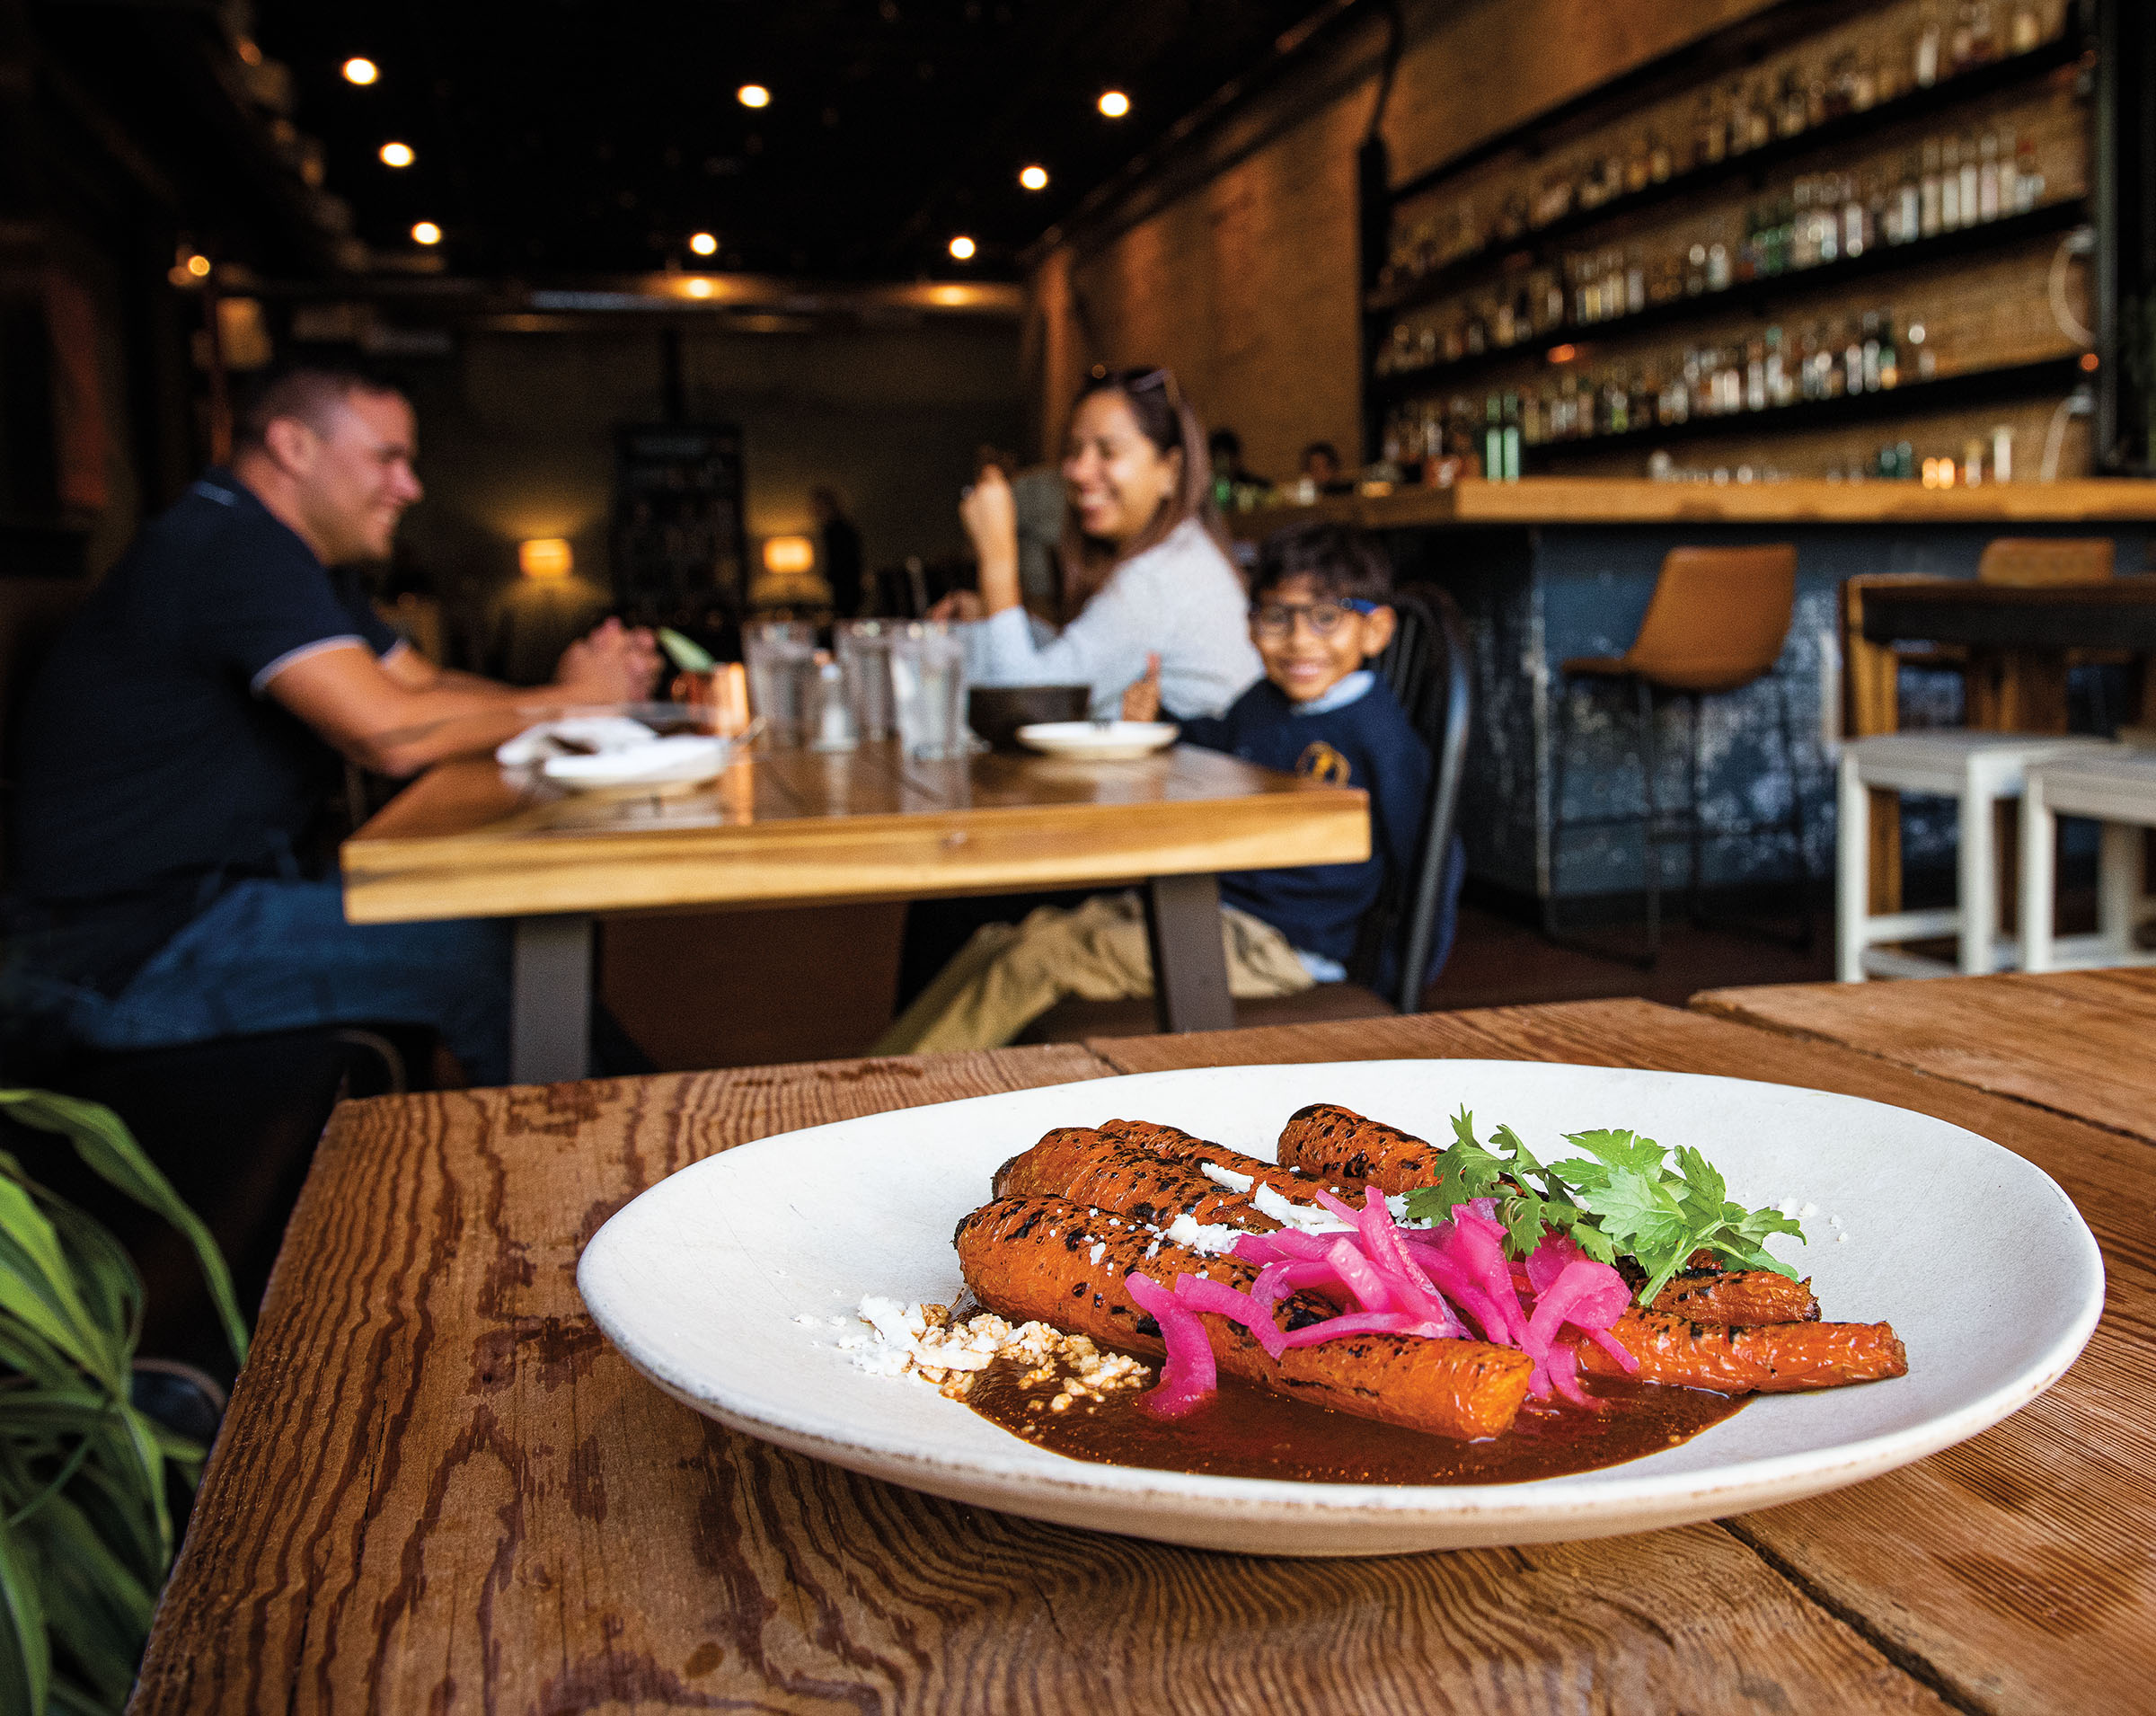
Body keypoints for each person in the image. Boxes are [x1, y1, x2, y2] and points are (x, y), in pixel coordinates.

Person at [2, 362, 658, 1086]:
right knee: (484, 958)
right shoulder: (232, 545)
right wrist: (573, 702)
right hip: (116, 953)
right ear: (294, 446)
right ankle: (620, 1180)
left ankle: (651, 1150)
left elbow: (423, 686)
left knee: (521, 929)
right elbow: (385, 733)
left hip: (195, 909)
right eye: (388, 457)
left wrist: (571, 697)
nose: (410, 487)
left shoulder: (286, 553)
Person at [874, 524, 1453, 1054]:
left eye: (1327, 617)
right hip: (1206, 907)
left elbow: (1433, 859)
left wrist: (1398, 983)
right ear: (1252, 626)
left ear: (1375, 630)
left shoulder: (1381, 739)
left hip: (1280, 946)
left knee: (1041, 960)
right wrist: (1158, 719)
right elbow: (1213, 746)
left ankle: (885, 1102)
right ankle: (874, 1069)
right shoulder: (1263, 704)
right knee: (1008, 938)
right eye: (1277, 617)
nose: (1300, 640)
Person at [939, 367, 1261, 720]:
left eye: (1107, 452)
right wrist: (993, 614)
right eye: (1075, 451)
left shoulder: (1159, 576)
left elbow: (1025, 705)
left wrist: (998, 563)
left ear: (1170, 470)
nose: (1078, 471)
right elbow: (1083, 658)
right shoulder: (1179, 550)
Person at [811, 486, 864, 618]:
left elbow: (848, 562)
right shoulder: (831, 530)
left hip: (846, 586)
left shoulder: (838, 530)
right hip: (843, 586)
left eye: (818, 505)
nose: (814, 510)